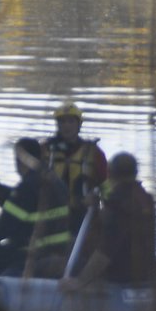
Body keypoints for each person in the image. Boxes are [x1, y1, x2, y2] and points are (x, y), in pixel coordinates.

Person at [0, 138, 72, 277]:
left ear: (19, 160)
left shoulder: (26, 188)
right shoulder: (58, 183)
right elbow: (26, 202)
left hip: (31, 255)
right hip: (59, 251)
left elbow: (4, 227)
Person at [77, 152, 156, 285]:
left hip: (118, 276)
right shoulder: (146, 199)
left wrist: (80, 282)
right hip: (144, 272)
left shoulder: (118, 205)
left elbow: (105, 251)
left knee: (49, 264)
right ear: (136, 172)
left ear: (110, 174)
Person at [43, 100, 108, 235]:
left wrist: (101, 204)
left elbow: (106, 186)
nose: (66, 126)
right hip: (52, 215)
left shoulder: (93, 153)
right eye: (62, 122)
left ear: (79, 125)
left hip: (83, 214)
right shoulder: (46, 151)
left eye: (71, 121)